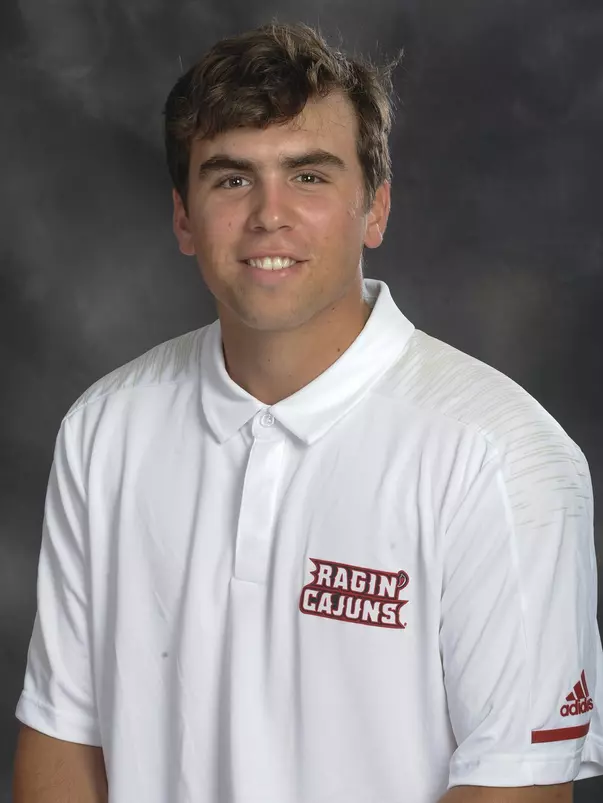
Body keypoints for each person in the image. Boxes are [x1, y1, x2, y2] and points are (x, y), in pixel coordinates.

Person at [11, 18, 603, 803]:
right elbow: (63, 742)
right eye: (230, 178)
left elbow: (515, 789)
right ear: (184, 218)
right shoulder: (103, 431)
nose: (269, 215)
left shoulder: (503, 458)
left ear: (376, 209)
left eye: (309, 176)